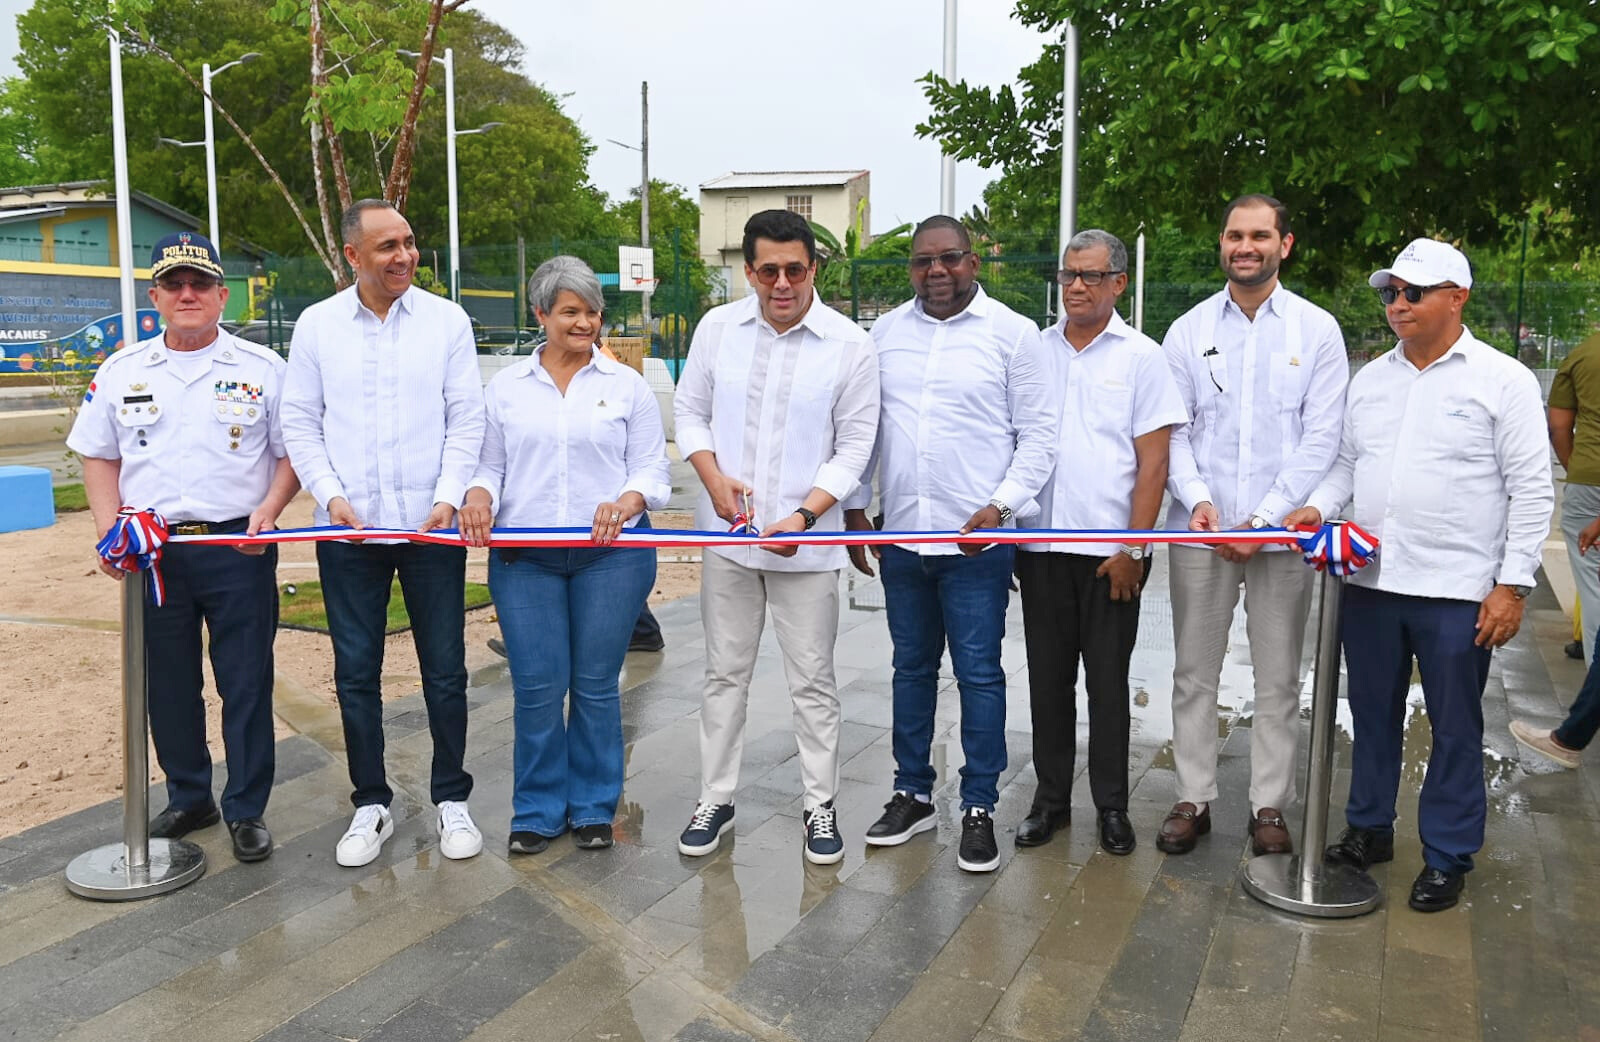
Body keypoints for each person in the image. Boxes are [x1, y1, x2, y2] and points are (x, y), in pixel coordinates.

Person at [1286, 238, 1553, 912]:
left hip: (1459, 593)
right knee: (1370, 715)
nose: (1396, 305)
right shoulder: (1371, 379)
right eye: (1389, 293)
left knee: (1455, 726)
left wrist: (1513, 584)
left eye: (1413, 292)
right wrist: (1317, 506)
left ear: (1457, 297)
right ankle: (1370, 828)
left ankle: (1447, 854)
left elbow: (1531, 489)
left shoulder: (1503, 381)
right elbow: (1348, 464)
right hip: (1372, 583)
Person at [67, 232, 299, 863]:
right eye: (175, 284)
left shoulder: (263, 370)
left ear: (223, 295)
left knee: (245, 681)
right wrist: (111, 531)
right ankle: (189, 794)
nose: (188, 294)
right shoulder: (122, 371)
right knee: (166, 683)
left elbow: (291, 455)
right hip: (156, 554)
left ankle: (245, 808)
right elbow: (97, 454)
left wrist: (269, 513)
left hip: (237, 549)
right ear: (156, 297)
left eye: (200, 284)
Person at [844, 215, 1057, 873]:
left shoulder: (1014, 336)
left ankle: (979, 806)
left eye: (951, 259)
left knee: (978, 673)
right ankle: (913, 793)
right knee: (911, 669)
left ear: (974, 263)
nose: (936, 272)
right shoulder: (883, 335)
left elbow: (1040, 437)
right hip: (903, 538)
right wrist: (856, 506)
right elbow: (867, 428)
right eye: (923, 262)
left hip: (977, 546)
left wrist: (999, 509)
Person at [281, 199, 487, 868]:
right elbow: (301, 424)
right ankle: (371, 803)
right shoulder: (317, 327)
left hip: (431, 531)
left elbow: (466, 419)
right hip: (348, 533)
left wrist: (447, 497)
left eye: (408, 241)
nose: (404, 256)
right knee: (354, 672)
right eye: (386, 247)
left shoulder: (446, 322)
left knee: (446, 670)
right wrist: (331, 497)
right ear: (352, 256)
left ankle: (451, 796)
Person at [672, 209, 879, 866]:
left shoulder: (850, 345)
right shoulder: (718, 329)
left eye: (795, 269)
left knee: (813, 681)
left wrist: (808, 514)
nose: (782, 283)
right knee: (723, 675)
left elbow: (854, 448)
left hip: (806, 550)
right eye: (769, 271)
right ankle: (716, 796)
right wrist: (711, 479)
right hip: (728, 543)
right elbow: (689, 412)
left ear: (814, 267)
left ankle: (821, 805)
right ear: (748, 270)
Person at [1158, 194, 1348, 858]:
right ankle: (1193, 796)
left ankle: (1269, 805)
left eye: (1260, 235)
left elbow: (1321, 438)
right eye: (1236, 235)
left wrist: (1264, 521)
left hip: (1283, 535)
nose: (1247, 246)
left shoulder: (1316, 331)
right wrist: (1199, 500)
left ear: (1284, 245)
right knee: (1193, 670)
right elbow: (1174, 432)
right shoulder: (1186, 331)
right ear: (1221, 243)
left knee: (1277, 676)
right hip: (1201, 529)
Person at [460, 256, 669, 854]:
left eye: (593, 312)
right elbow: (489, 465)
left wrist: (627, 501)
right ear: (541, 314)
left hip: (611, 557)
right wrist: (478, 496)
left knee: (597, 685)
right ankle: (537, 810)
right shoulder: (505, 388)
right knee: (538, 685)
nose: (585, 323)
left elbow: (651, 467)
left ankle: (594, 807)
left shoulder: (625, 385)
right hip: (527, 558)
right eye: (571, 311)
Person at [1014, 230, 1187, 856]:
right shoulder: (1032, 352)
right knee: (1047, 681)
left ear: (1118, 282)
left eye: (1090, 276)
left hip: (1110, 556)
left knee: (1108, 683)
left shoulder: (1143, 357)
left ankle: (1111, 805)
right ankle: (1050, 800)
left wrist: (1135, 550)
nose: (1077, 287)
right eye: (1068, 276)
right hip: (1038, 549)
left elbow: (1154, 465)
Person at [1545, 329, 1600, 663]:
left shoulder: (1581, 355)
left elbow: (1559, 427)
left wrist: (1576, 467)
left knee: (1593, 588)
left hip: (1589, 479)